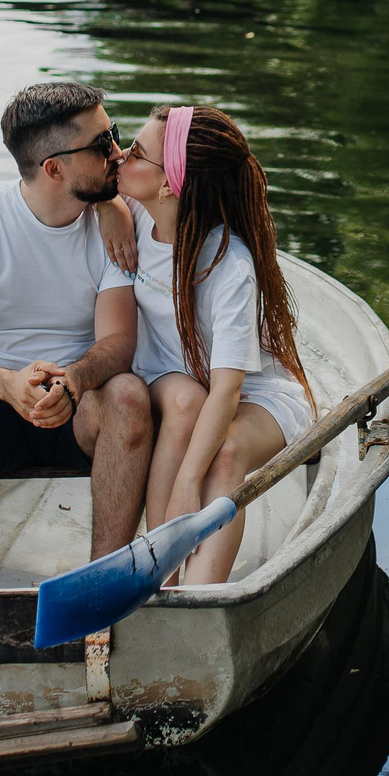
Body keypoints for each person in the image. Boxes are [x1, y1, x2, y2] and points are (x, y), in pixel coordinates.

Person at [0, 81, 153, 588]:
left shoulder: (118, 220)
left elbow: (120, 343)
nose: (118, 152)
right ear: (54, 169)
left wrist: (76, 379)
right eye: (101, 144)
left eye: (114, 134)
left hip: (81, 407)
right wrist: (5, 383)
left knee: (129, 395)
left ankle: (101, 588)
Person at [102, 104, 316, 585]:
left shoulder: (227, 265)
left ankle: (199, 597)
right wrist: (106, 208)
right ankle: (159, 580)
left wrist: (187, 483)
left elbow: (228, 391)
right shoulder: (134, 212)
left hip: (256, 395)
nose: (119, 156)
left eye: (135, 152)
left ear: (168, 185)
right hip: (175, 378)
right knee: (185, 404)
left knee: (224, 454)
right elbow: (86, 184)